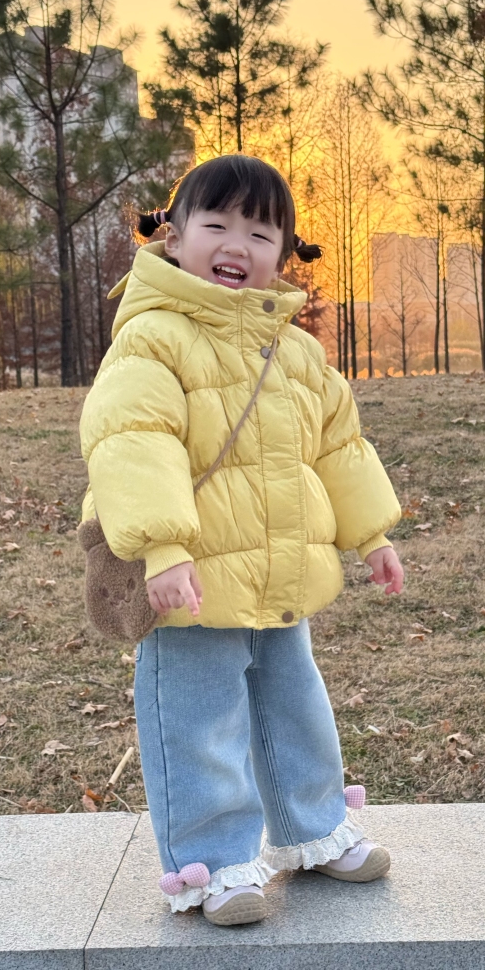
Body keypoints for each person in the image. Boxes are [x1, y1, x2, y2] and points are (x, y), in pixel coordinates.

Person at [79, 154, 404, 927]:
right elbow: (134, 441)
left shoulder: (296, 351)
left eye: (261, 233)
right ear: (174, 236)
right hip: (188, 580)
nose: (237, 244)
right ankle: (213, 860)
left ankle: (314, 826)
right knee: (197, 721)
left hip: (279, 572)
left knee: (295, 706)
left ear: (284, 252)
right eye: (217, 224)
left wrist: (373, 535)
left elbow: (339, 446)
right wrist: (162, 548)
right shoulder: (153, 337)